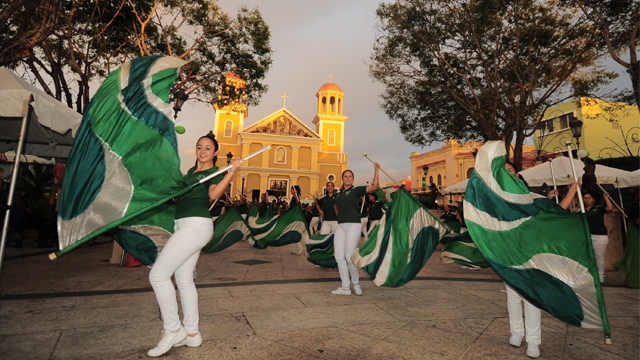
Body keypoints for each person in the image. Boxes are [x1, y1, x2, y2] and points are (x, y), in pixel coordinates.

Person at [147, 132, 243, 357]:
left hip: (196, 226)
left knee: (158, 276)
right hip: (183, 224)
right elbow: (178, 198)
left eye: (208, 148)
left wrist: (231, 171)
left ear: (215, 152)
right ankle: (192, 334)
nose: (202, 151)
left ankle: (173, 330)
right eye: (199, 147)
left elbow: (213, 195)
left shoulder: (214, 172)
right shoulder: (191, 172)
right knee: (183, 280)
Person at [331, 163, 380, 296]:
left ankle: (356, 283)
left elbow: (375, 187)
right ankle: (345, 287)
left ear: (353, 179)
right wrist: (339, 216)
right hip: (341, 226)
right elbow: (336, 207)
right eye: (345, 176)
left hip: (353, 225)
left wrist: (376, 171)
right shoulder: (338, 194)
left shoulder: (356, 190)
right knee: (339, 256)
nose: (347, 178)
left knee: (349, 256)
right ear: (342, 179)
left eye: (350, 176)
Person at [582, 191, 614, 282]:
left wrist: (606, 197)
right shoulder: (581, 211)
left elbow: (610, 208)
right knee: (587, 256)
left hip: (600, 236)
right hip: (587, 236)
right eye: (585, 198)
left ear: (593, 200)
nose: (587, 199)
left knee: (599, 256)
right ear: (583, 200)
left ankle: (601, 277)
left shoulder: (599, 208)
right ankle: (589, 276)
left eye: (589, 198)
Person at [290, 185, 303, 255]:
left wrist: (296, 195)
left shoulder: (296, 197)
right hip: (292, 217)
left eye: (291, 189)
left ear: (295, 190)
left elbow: (298, 203)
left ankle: (300, 247)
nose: (290, 191)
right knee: (293, 233)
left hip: (295, 217)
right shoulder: (293, 197)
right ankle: (294, 249)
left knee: (294, 233)